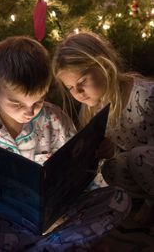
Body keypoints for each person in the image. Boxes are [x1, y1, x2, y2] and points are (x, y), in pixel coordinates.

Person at [0, 36, 130, 252]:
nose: (29, 112)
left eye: (38, 101)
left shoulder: (55, 118)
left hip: (54, 219)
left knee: (118, 199)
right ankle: (51, 247)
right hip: (0, 219)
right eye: (17, 103)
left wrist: (97, 156)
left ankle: (39, 246)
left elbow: (81, 173)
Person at [52, 30, 154, 226]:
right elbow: (121, 152)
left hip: (147, 158)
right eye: (70, 88)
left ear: (104, 65)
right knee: (112, 167)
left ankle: (149, 204)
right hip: (143, 167)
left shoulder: (145, 96)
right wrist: (110, 151)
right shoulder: (92, 110)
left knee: (139, 157)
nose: (78, 93)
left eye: (81, 82)